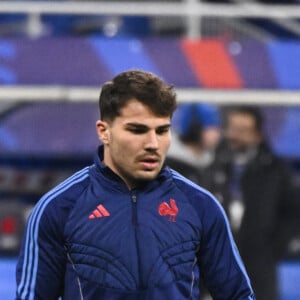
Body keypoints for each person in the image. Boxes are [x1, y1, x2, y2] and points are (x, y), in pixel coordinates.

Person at [16, 69, 255, 300]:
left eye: (162, 131)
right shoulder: (58, 207)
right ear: (104, 132)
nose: (153, 143)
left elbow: (238, 294)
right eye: (137, 130)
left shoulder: (201, 206)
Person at [208, 106, 297, 300]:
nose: (235, 135)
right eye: (232, 129)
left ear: (257, 134)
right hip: (217, 268)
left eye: (243, 130)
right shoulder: (213, 165)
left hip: (259, 269)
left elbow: (292, 212)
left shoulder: (274, 169)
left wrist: (272, 249)